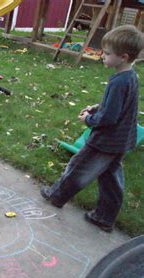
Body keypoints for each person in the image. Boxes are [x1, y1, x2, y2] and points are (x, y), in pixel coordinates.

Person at [40, 25, 144, 232]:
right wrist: (97, 107)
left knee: (78, 167)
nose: (102, 56)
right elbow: (122, 106)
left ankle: (56, 195)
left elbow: (110, 117)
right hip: (122, 140)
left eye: (107, 53)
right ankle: (104, 217)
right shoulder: (130, 77)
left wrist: (89, 119)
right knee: (110, 179)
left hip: (106, 140)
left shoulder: (118, 82)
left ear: (123, 56)